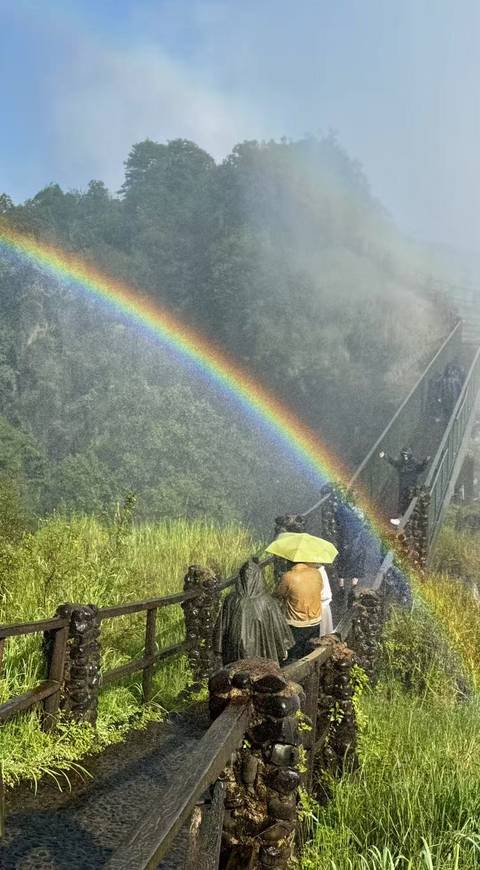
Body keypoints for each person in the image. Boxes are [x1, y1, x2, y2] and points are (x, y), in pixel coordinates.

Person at [213, 559, 293, 666]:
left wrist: (218, 651)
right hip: (263, 653)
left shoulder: (231, 600)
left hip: (235, 653)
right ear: (259, 578)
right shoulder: (268, 601)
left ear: (240, 579)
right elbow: (278, 628)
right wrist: (283, 649)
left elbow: (221, 629)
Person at [276, 560, 323, 661]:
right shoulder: (316, 573)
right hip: (315, 620)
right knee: (311, 652)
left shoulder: (288, 576)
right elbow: (320, 588)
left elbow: (279, 594)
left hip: (296, 623)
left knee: (294, 656)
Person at [379, 446, 430, 520]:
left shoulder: (413, 462)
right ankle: (401, 517)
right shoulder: (401, 462)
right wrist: (385, 456)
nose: (405, 456)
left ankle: (406, 518)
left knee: (408, 501)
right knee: (402, 501)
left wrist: (425, 462)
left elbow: (420, 468)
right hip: (403, 485)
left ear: (409, 454)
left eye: (406, 454)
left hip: (411, 486)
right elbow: (393, 462)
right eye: (403, 454)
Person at [319, 565, 333, 636]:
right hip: (324, 605)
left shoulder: (318, 572)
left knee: (321, 635)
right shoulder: (322, 571)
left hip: (320, 607)